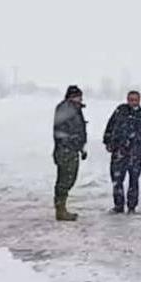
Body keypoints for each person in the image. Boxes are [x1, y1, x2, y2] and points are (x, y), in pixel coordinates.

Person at [103, 90, 141, 214]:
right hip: (119, 152)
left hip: (136, 153)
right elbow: (110, 127)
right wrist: (108, 142)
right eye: (130, 99)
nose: (133, 102)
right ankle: (118, 205)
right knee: (117, 179)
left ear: (139, 100)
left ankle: (132, 206)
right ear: (127, 99)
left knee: (134, 180)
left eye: (135, 99)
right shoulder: (120, 111)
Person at [53, 85, 88, 221]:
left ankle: (61, 208)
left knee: (69, 179)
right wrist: (72, 142)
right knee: (64, 180)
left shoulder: (74, 109)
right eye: (78, 96)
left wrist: (81, 146)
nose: (80, 99)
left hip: (72, 149)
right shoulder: (65, 109)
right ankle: (60, 210)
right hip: (65, 150)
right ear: (71, 96)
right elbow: (61, 131)